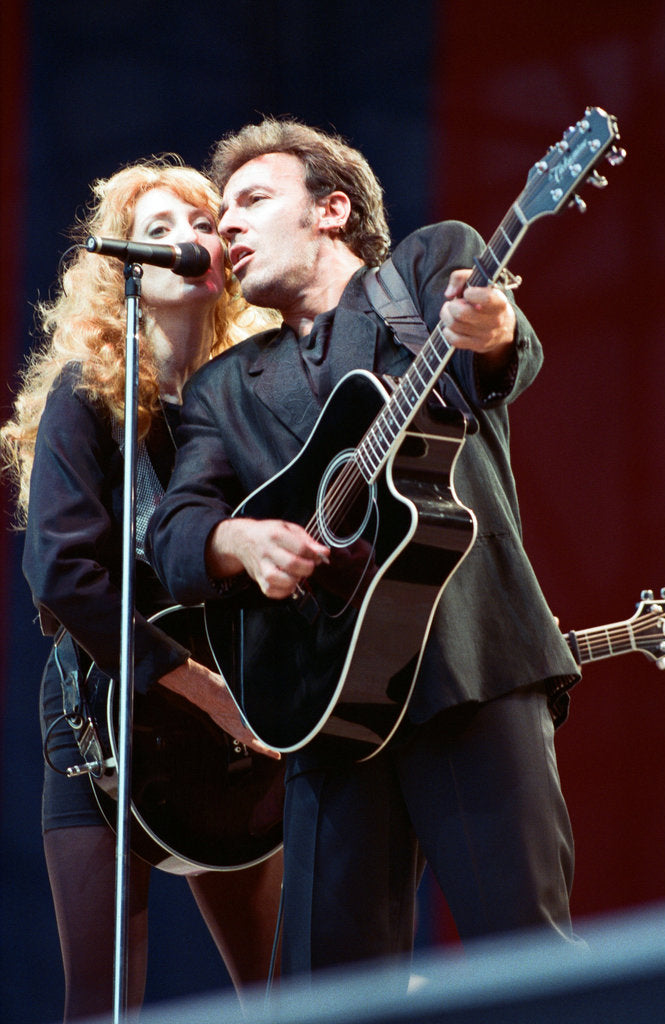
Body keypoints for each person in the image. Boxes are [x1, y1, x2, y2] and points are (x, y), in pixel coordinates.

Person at [145, 118, 583, 980]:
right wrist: (237, 539)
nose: (223, 227)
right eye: (220, 212)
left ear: (331, 209)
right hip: (324, 706)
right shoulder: (224, 386)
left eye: (252, 201)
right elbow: (174, 530)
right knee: (329, 995)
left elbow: (490, 363)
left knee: (529, 968)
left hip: (470, 668)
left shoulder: (422, 273)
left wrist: (489, 329)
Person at [0, 156, 285, 1022]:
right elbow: (63, 572)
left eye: (201, 226)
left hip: (237, 717)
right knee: (101, 1000)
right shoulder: (86, 402)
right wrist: (197, 688)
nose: (186, 243)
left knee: (278, 992)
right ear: (122, 268)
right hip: (105, 714)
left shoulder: (248, 397)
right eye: (157, 232)